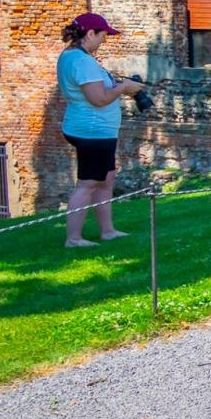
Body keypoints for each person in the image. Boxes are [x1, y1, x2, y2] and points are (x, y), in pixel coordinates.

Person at [57, 13, 145, 248]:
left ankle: (108, 231)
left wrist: (118, 86)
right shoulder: (81, 61)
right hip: (92, 131)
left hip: (96, 130)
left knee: (106, 178)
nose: (104, 40)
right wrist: (124, 87)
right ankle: (74, 239)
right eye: (103, 35)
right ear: (90, 34)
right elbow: (97, 99)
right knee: (88, 183)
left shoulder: (73, 56)